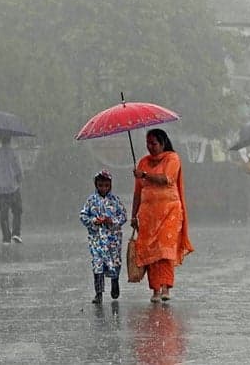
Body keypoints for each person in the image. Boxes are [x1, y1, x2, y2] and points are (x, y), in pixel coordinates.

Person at [131, 129, 194, 303]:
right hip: (148, 216)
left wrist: (144, 175)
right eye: (148, 143)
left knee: (165, 250)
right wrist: (133, 215)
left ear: (163, 143)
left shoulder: (172, 158)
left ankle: (166, 287)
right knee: (151, 251)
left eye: (154, 143)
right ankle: (155, 290)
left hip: (170, 212)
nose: (150, 147)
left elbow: (167, 179)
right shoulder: (143, 162)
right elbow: (137, 192)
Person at [79, 170, 127, 304]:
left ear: (110, 185)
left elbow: (123, 216)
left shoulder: (115, 200)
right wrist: (94, 221)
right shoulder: (91, 200)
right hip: (97, 239)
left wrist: (112, 221)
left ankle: (115, 282)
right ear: (96, 185)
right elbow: (83, 215)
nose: (103, 188)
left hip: (113, 240)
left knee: (115, 262)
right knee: (97, 264)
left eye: (106, 185)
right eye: (100, 185)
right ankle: (98, 293)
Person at [0, 134, 24, 244]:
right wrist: (20, 179)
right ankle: (16, 233)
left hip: (1, 188)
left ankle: (6, 237)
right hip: (13, 187)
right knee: (17, 211)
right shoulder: (15, 153)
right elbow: (19, 169)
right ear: (10, 139)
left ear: (0, 139)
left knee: (3, 214)